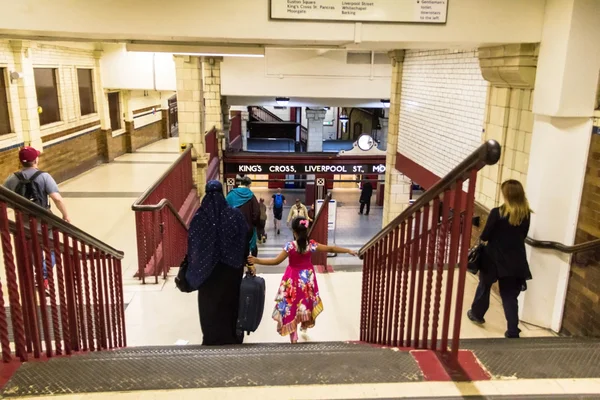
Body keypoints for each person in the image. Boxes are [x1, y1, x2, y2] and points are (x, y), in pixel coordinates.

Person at [248, 217, 357, 343]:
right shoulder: (311, 245)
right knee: (304, 304)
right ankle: (303, 324)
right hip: (306, 280)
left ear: (294, 232)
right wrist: (348, 250)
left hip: (292, 279)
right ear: (307, 230)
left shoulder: (290, 247)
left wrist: (257, 260)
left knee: (291, 305)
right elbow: (331, 249)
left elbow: (275, 261)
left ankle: (293, 334)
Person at [467, 180, 533, 339]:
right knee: (510, 296)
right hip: (515, 260)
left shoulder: (497, 212)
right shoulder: (525, 214)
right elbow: (522, 236)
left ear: (507, 195)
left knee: (485, 286)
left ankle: (477, 314)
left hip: (493, 258)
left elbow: (485, 236)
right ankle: (512, 331)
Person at [186, 180, 249, 345]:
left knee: (209, 305)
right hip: (231, 269)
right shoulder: (234, 215)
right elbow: (244, 237)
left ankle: (210, 337)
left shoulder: (199, 219)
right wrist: (243, 259)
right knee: (230, 303)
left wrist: (197, 264)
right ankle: (231, 337)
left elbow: (193, 244)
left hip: (207, 271)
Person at [4, 146, 71, 291]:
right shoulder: (44, 176)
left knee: (32, 249)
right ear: (36, 159)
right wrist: (65, 216)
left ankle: (38, 275)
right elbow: (57, 199)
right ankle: (44, 276)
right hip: (44, 219)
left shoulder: (12, 178)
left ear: (20, 161)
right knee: (53, 248)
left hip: (22, 220)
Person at [226, 176, 260, 257]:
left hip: (233, 227)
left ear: (240, 183)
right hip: (247, 227)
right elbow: (257, 212)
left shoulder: (230, 195)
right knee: (246, 247)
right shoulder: (251, 196)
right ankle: (246, 263)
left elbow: (225, 209)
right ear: (249, 185)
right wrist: (254, 224)